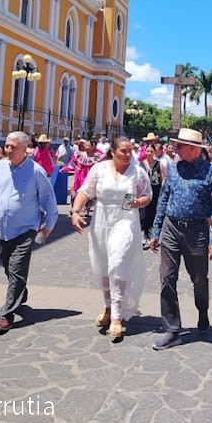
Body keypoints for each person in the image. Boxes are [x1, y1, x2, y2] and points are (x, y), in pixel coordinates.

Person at [149, 128, 212, 351]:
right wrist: (156, 230)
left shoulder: (210, 172)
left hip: (197, 231)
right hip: (171, 228)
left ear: (193, 148)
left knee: (199, 279)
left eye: (180, 145)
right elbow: (163, 199)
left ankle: (203, 311)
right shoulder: (173, 169)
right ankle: (172, 329)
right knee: (166, 278)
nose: (175, 149)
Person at [71, 137, 152, 340]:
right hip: (102, 220)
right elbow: (85, 191)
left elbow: (147, 195)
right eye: (123, 151)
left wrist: (136, 202)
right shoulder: (99, 169)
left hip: (125, 221)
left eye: (130, 151)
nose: (127, 154)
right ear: (113, 152)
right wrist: (75, 211)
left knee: (118, 263)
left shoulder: (138, 172)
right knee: (103, 265)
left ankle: (117, 315)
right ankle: (108, 306)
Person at [0, 131, 59, 331]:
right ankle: (20, 293)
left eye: (12, 147)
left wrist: (48, 225)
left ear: (25, 149)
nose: (8, 150)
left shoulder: (36, 171)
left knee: (16, 269)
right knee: (8, 266)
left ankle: (6, 314)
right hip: (2, 228)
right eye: (6, 145)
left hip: (26, 229)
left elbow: (49, 200)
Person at [139, 143, 164, 248]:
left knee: (153, 214)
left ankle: (152, 236)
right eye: (147, 151)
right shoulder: (141, 165)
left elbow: (163, 178)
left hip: (155, 192)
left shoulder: (159, 164)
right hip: (144, 193)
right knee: (143, 214)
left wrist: (163, 191)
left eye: (151, 151)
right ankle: (143, 236)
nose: (149, 153)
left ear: (154, 152)